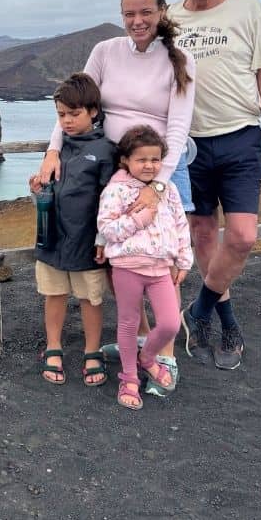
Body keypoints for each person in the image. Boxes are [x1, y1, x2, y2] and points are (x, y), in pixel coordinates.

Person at [33, 0, 195, 396]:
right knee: (120, 265)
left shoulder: (180, 60)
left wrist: (158, 186)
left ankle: (167, 356)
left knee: (161, 265)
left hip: (157, 167)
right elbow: (76, 98)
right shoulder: (105, 52)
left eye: (145, 12)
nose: (137, 20)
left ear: (162, 12)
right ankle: (138, 341)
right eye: (129, 13)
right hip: (114, 171)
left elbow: (177, 129)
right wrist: (54, 149)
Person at [167, 0, 261, 370]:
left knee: (241, 236)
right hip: (188, 144)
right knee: (202, 234)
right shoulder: (169, 18)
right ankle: (227, 322)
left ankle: (198, 311)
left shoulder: (248, 9)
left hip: (240, 135)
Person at [97, 126, 193, 410]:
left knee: (170, 323)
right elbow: (107, 228)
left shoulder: (169, 190)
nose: (149, 165)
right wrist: (138, 220)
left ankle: (147, 358)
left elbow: (180, 226)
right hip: (127, 267)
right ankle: (128, 377)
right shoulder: (115, 190)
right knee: (128, 323)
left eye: (155, 159)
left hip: (161, 268)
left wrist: (183, 259)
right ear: (125, 160)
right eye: (142, 159)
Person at [32, 73, 116, 387]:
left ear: (93, 111)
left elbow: (112, 199)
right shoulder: (56, 149)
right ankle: (53, 346)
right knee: (53, 294)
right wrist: (38, 190)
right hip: (52, 238)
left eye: (74, 113)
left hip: (87, 242)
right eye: (61, 115)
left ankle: (92, 351)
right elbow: (50, 190)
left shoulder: (106, 151)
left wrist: (103, 238)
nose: (66, 121)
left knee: (90, 298)